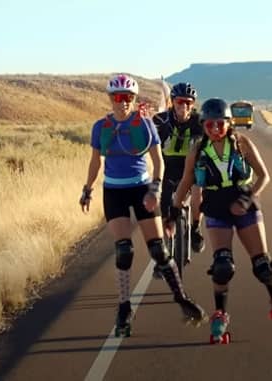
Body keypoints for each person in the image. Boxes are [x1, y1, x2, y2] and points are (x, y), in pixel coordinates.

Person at [80, 74, 207, 337]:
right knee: (124, 251)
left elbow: (158, 161)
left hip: (141, 189)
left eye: (127, 97)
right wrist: (87, 189)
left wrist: (155, 188)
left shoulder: (145, 125)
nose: (122, 102)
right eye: (117, 97)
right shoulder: (100, 127)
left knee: (159, 251)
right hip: (113, 191)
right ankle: (124, 308)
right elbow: (95, 163)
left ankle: (182, 299)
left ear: (133, 99)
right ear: (110, 98)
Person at [169, 98, 272, 344]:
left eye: (220, 124)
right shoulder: (197, 150)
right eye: (209, 125)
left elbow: (263, 176)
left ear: (229, 123)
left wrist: (247, 200)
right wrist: (174, 211)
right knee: (222, 266)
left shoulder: (241, 143)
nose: (215, 129)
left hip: (243, 203)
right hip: (216, 206)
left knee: (263, 266)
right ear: (203, 124)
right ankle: (221, 314)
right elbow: (185, 183)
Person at [151, 82, 205, 278]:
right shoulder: (161, 120)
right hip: (167, 169)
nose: (184, 106)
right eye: (180, 102)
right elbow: (145, 137)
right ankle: (163, 260)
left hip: (192, 169)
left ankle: (196, 228)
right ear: (172, 102)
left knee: (199, 189)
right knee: (163, 212)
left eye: (189, 102)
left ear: (193, 104)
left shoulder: (200, 121)